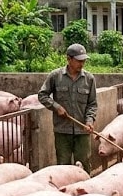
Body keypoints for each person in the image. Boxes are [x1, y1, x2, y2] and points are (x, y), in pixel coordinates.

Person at [38, 43, 98, 172]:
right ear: (69, 59)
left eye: (84, 61)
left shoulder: (89, 79)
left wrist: (89, 121)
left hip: (82, 130)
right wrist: (56, 106)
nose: (82, 64)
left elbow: (92, 104)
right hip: (62, 130)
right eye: (79, 61)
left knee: (84, 164)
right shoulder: (55, 76)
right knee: (63, 166)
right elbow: (42, 95)